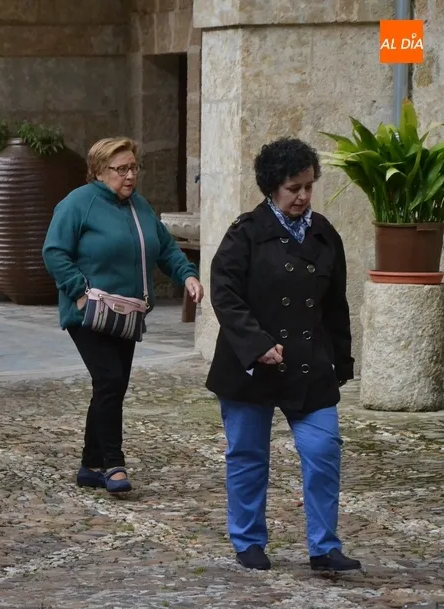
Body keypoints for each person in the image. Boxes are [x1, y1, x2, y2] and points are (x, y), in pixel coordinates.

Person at [206, 137, 360, 572]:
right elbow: (226, 295)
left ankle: (324, 548)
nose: (303, 196)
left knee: (323, 451)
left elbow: (336, 306)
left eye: (309, 186)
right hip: (249, 367)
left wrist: (342, 363)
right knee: (248, 458)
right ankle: (249, 541)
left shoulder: (325, 233)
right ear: (272, 187)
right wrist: (257, 345)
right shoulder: (246, 233)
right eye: (294, 188)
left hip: (310, 366)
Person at [42, 136, 203, 495]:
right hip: (88, 312)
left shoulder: (140, 207)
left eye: (133, 168)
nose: (130, 175)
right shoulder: (77, 204)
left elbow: (165, 248)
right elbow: (54, 252)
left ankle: (90, 465)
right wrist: (80, 293)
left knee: (110, 386)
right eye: (121, 169)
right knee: (110, 381)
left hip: (126, 314)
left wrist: (188, 275)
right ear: (99, 171)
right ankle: (114, 464)